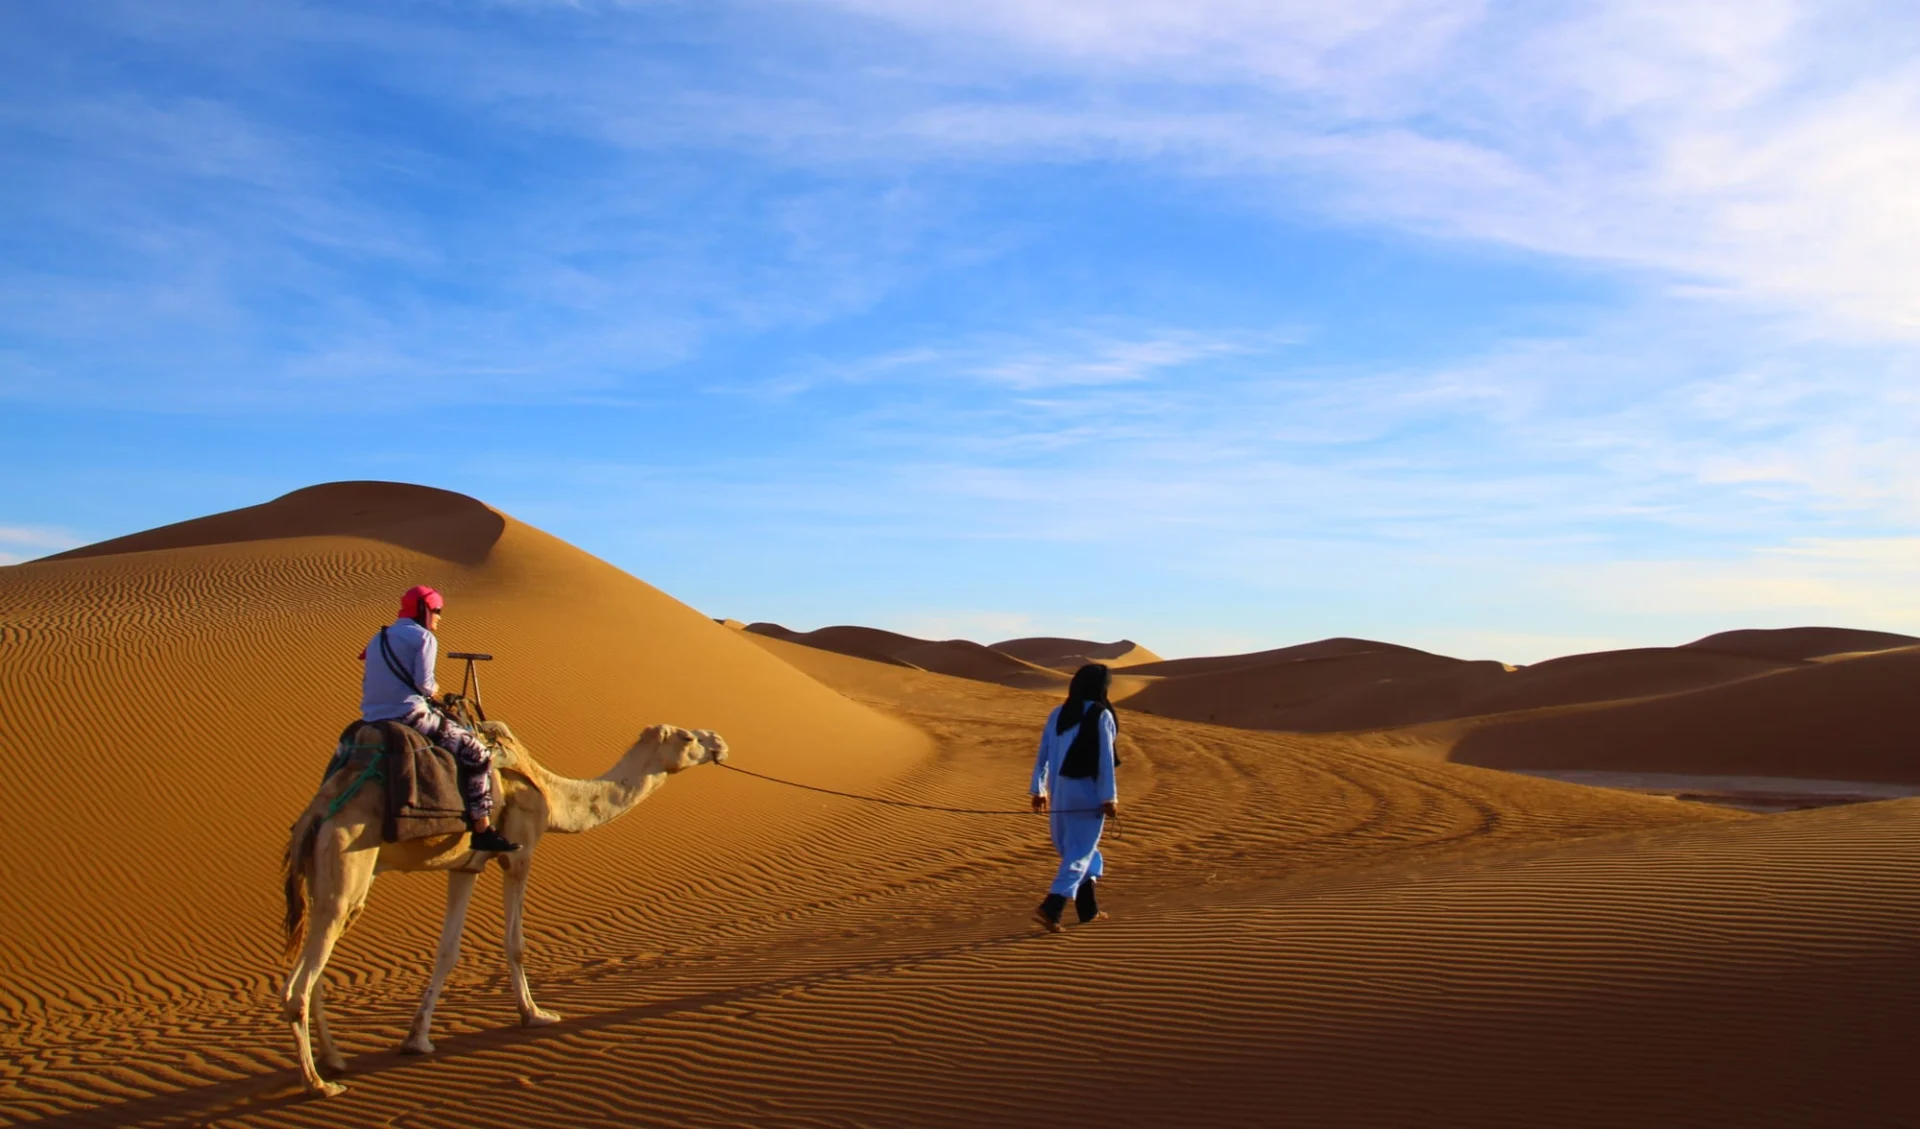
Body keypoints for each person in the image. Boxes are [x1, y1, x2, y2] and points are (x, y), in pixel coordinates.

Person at [360, 585, 520, 853]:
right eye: (436, 610)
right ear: (423, 610)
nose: (439, 617)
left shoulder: (379, 637)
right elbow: (424, 685)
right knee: (477, 751)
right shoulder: (424, 639)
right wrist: (435, 690)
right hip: (410, 715)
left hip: (371, 717)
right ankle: (482, 828)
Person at [1029, 663, 1121, 932]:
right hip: (1087, 793)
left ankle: (1087, 909)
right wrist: (1108, 797)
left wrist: (1039, 790)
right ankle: (1052, 907)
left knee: (1078, 848)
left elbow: (1042, 754)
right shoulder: (1101, 714)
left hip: (1060, 792)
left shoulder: (1058, 713)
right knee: (1080, 851)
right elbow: (1104, 759)